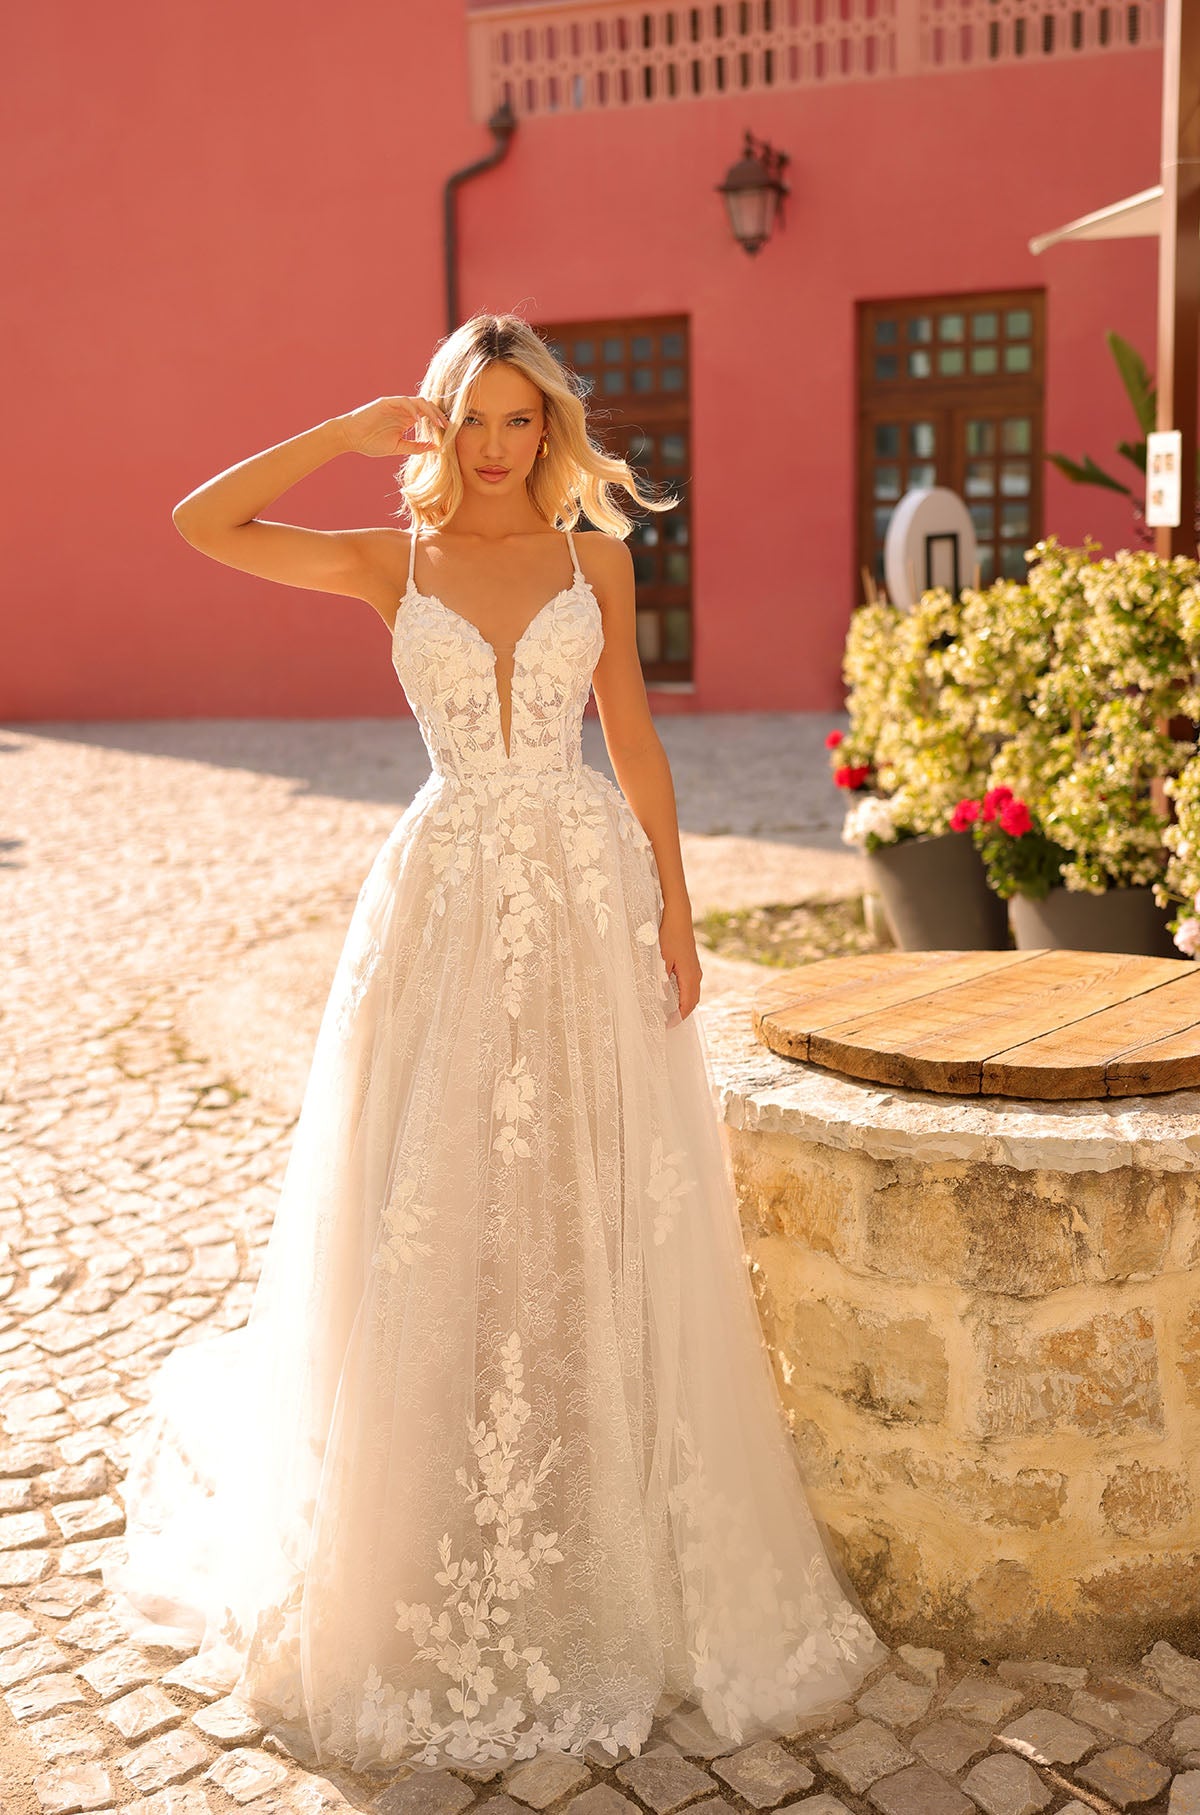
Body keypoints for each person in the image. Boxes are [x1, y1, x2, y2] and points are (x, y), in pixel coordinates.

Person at [102, 312, 889, 1774]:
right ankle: (432, 1484)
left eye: (519, 421)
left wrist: (677, 910)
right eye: (470, 418)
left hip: (586, 885)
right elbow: (201, 521)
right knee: (436, 1184)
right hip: (450, 895)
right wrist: (342, 434)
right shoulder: (384, 559)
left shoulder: (600, 558)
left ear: (551, 432)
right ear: (440, 425)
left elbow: (637, 744)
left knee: (592, 1178)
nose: (492, 445)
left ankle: (596, 1465)